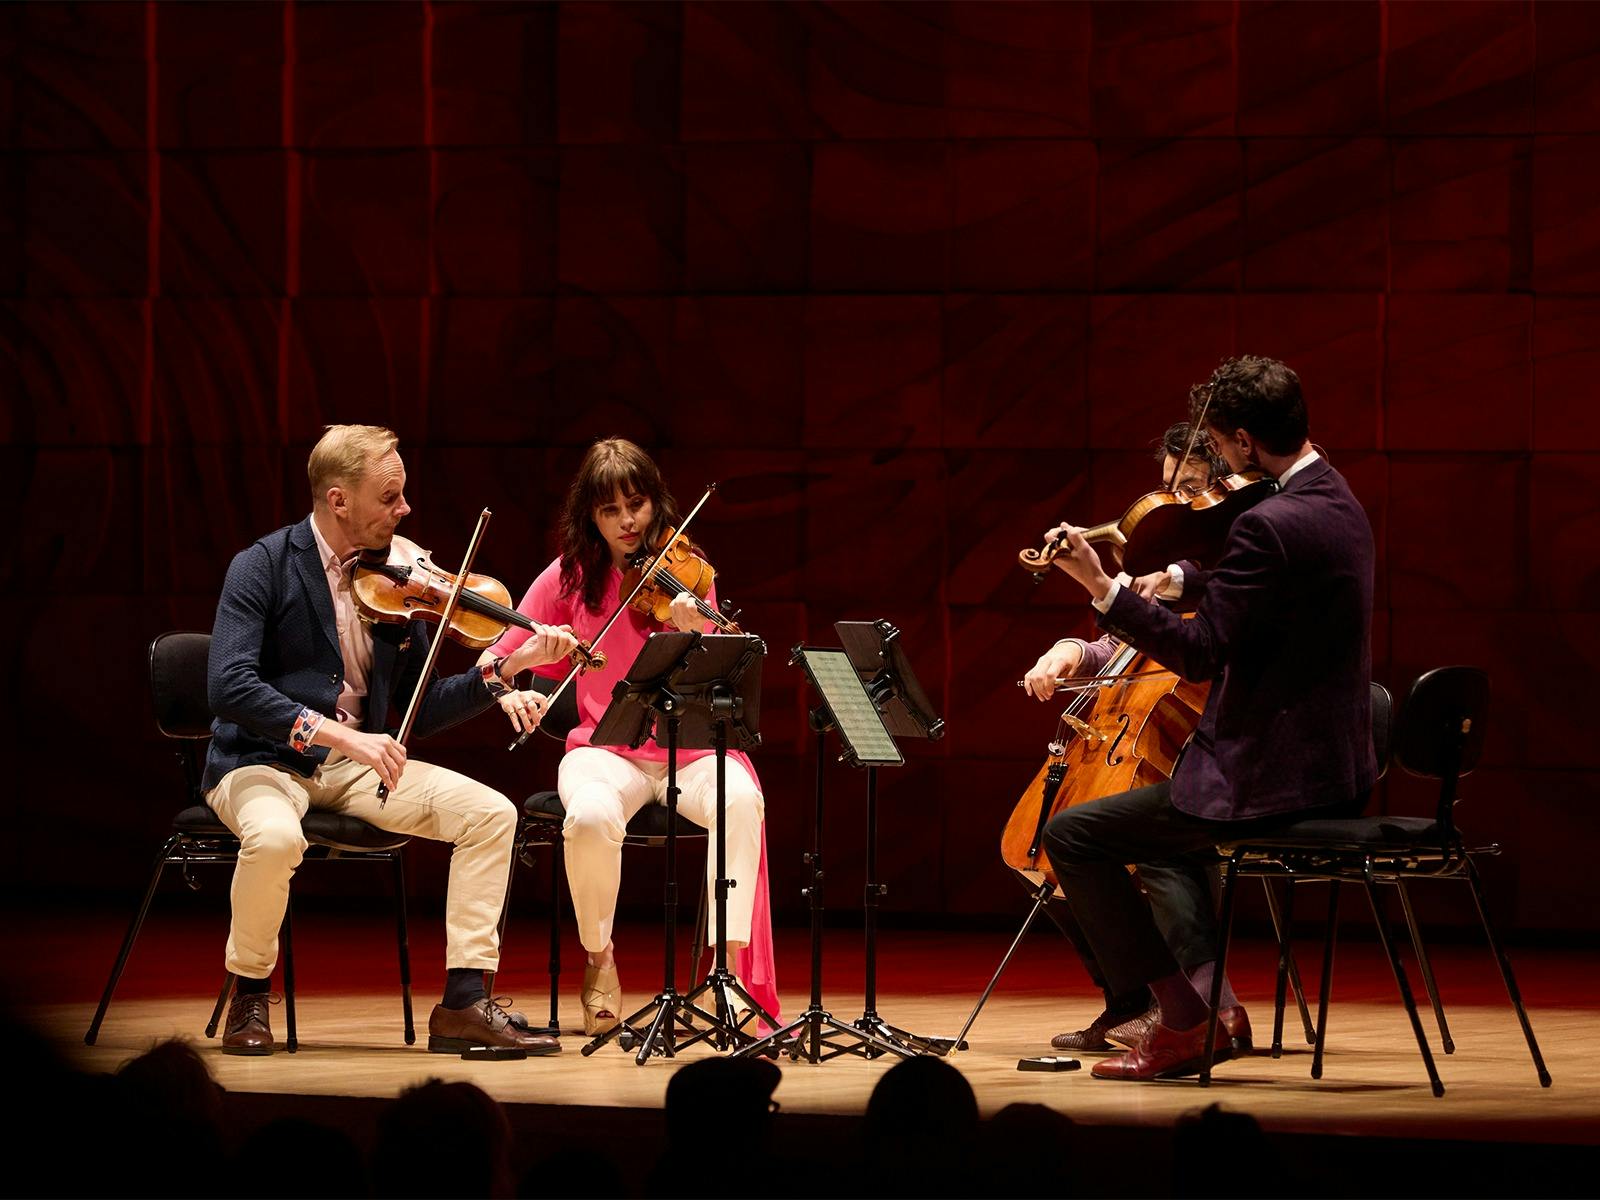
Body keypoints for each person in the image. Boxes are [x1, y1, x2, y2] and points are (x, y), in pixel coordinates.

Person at [1041, 356, 1375, 1080]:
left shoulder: (1268, 524)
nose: (1219, 460)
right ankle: (1204, 1004)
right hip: (1335, 770)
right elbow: (1263, 586)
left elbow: (1200, 654)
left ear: (1246, 442)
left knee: (1073, 834)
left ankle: (1184, 1022)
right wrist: (1182, 579)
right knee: (1161, 841)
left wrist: (1102, 585)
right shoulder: (1333, 496)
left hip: (1276, 780)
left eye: (1220, 444)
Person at [205, 424, 579, 1056]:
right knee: (275, 837)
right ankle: (250, 992)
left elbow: (417, 710)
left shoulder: (397, 579)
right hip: (262, 761)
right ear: (338, 500)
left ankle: (463, 1003)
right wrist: (338, 735)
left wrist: (504, 668)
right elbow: (228, 684)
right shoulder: (263, 565)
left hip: (357, 768)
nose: (405, 509)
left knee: (491, 814)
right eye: (389, 497)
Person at [483, 437, 778, 1036]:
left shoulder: (686, 569)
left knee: (743, 800)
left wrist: (698, 630)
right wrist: (508, 684)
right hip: (604, 750)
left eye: (636, 505)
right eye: (610, 510)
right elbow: (494, 658)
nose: (627, 522)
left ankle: (726, 974)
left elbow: (719, 673)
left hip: (688, 749)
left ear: (655, 503)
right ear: (590, 516)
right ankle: (600, 961)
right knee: (589, 817)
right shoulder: (569, 577)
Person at [1019, 425, 1254, 1056]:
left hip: (1220, 753)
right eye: (1169, 487)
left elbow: (1201, 641)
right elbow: (1122, 646)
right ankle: (1131, 1002)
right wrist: (1071, 649)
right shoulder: (1168, 565)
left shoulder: (1234, 563)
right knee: (1041, 849)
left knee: (1148, 849)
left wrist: (1154, 583)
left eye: (1192, 488)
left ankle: (1211, 1004)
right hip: (1154, 749)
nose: (1176, 503)